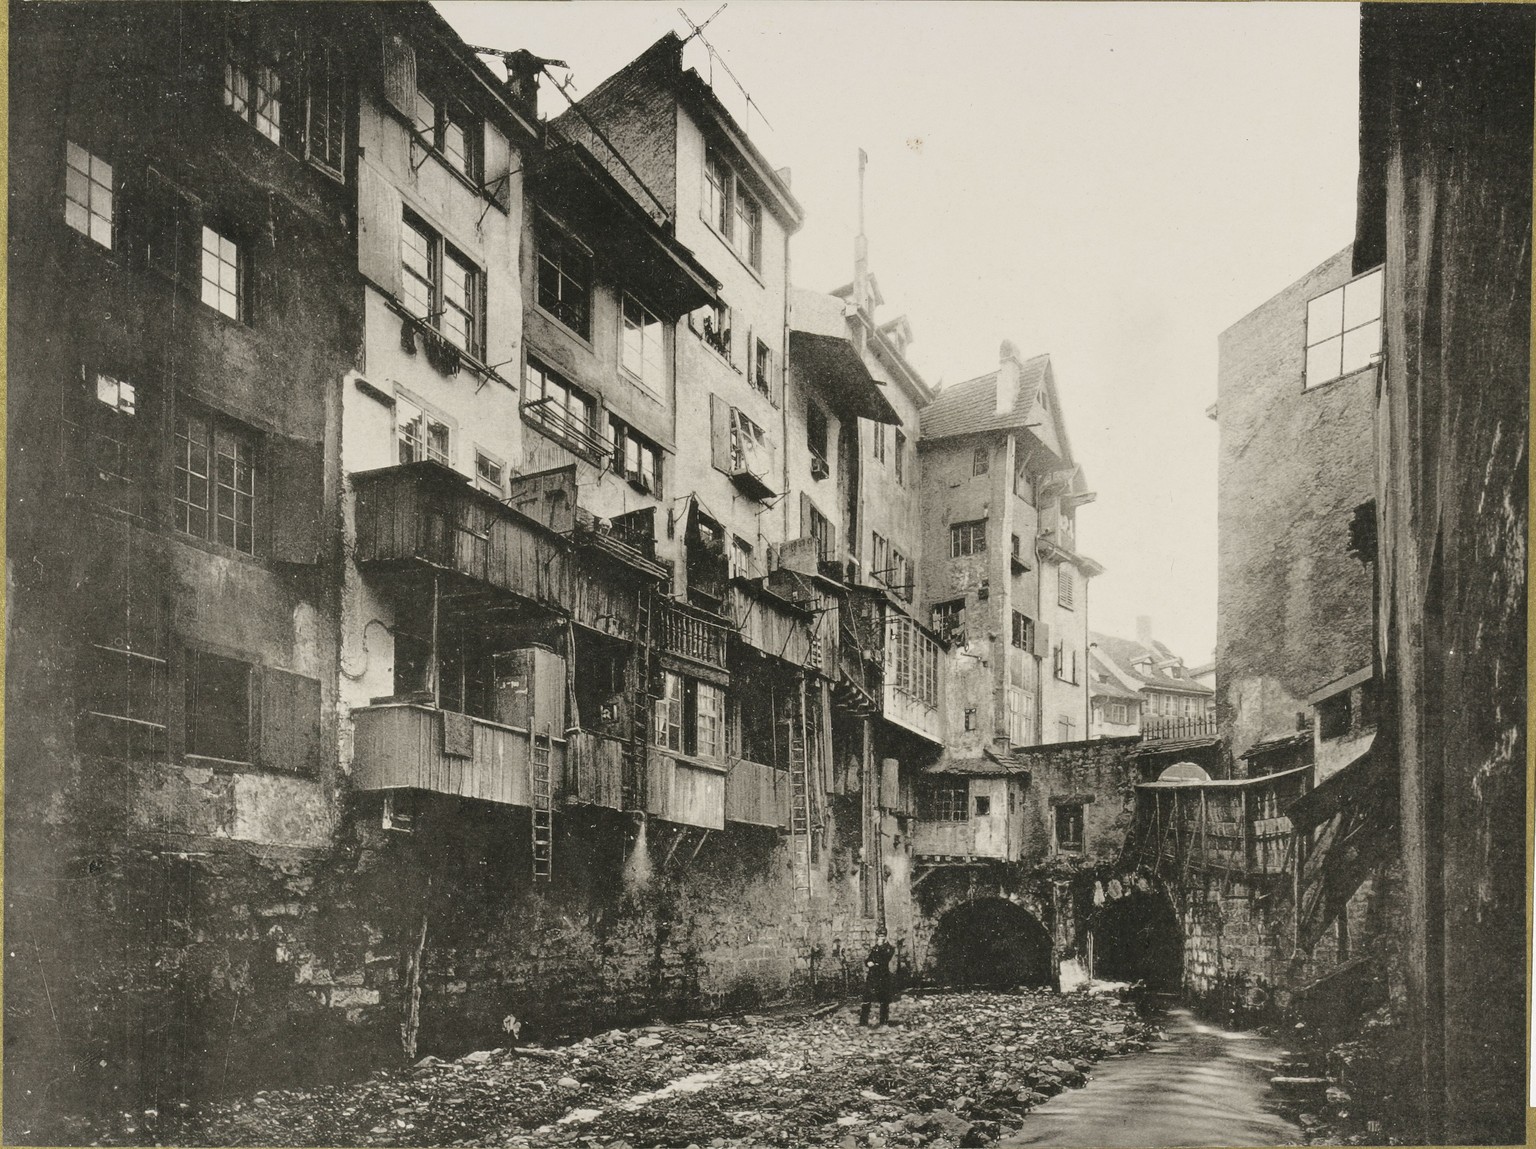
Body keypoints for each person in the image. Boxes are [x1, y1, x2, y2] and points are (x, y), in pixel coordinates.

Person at [859, 928, 896, 1027]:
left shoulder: (889, 948)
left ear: (885, 936)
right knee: (867, 998)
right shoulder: (875, 948)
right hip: (872, 976)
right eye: (879, 936)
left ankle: (884, 1022)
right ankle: (863, 1022)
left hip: (883, 976)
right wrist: (868, 963)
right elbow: (868, 959)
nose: (880, 937)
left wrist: (874, 963)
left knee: (884, 1000)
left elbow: (884, 960)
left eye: (882, 936)